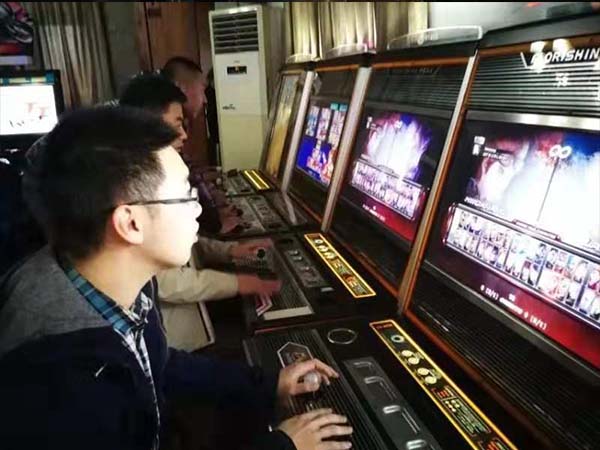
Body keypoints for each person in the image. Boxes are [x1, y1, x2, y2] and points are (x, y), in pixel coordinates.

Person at [0, 106, 352, 450]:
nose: (198, 209)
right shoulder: (61, 379)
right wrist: (284, 445)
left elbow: (157, 363)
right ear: (130, 223)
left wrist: (267, 383)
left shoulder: (119, 284)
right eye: (185, 195)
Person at [119, 72, 282, 351]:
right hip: (175, 344)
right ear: (149, 126)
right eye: (177, 124)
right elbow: (167, 283)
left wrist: (230, 251)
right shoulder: (135, 186)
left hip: (192, 325)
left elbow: (184, 245)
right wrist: (240, 283)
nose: (184, 134)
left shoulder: (154, 174)